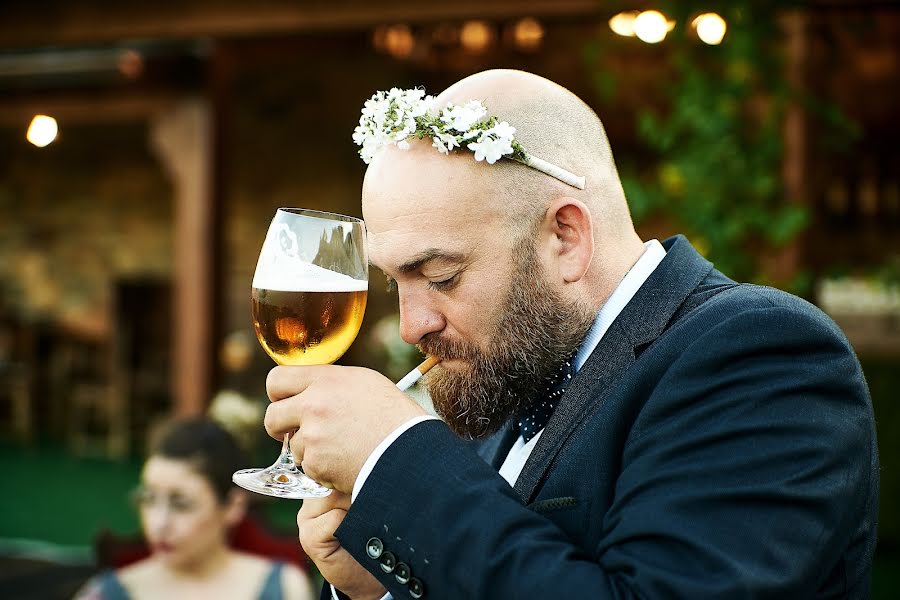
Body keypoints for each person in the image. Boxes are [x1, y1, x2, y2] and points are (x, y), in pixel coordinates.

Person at [263, 69, 879, 599]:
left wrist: (395, 460)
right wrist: (383, 583)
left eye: (441, 276)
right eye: (397, 282)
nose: (411, 324)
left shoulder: (763, 357)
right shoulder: (511, 368)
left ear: (566, 236)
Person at [75, 418, 314, 600]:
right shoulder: (106, 592)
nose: (159, 523)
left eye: (181, 504)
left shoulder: (284, 587)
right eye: (148, 499)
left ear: (233, 506)